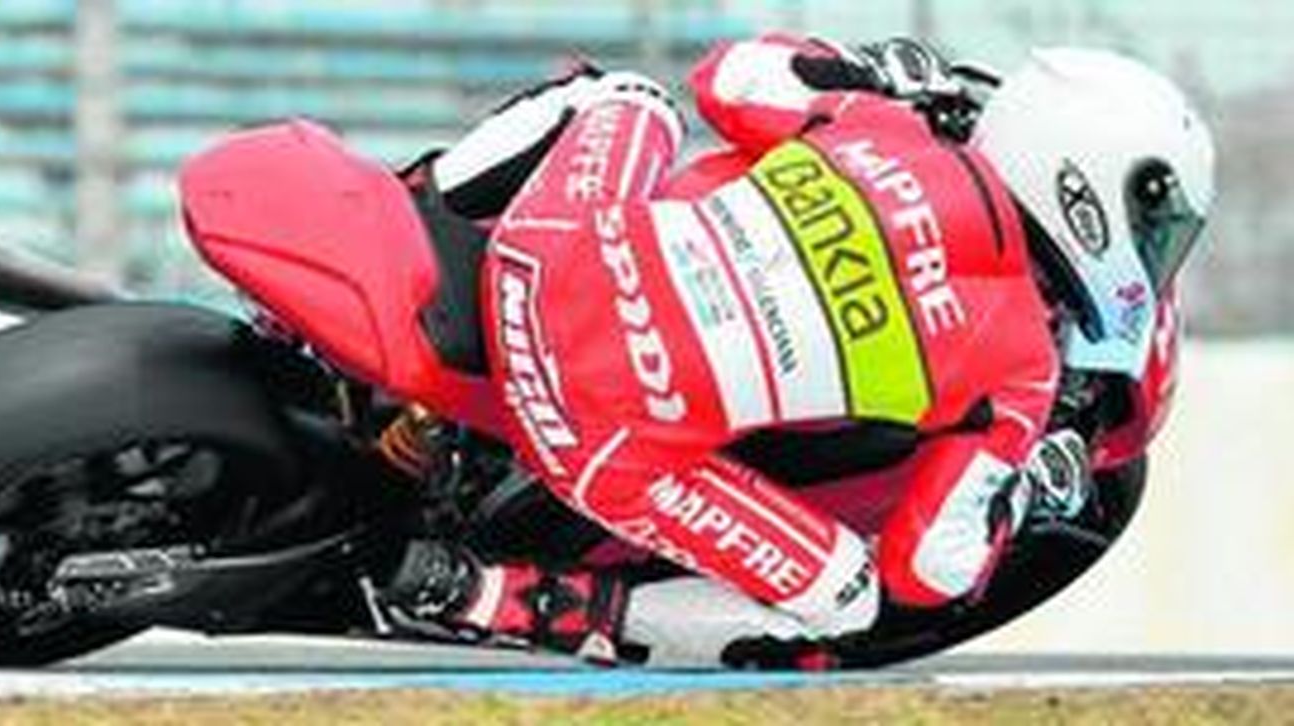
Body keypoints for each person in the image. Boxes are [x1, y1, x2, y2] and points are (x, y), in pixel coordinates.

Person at [379, 32, 1215, 665]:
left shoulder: (883, 126)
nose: (1152, 252)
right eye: (1156, 227)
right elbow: (931, 571)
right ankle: (485, 596)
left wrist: (872, 72)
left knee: (627, 96)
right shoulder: (1024, 371)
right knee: (851, 601)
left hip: (535, 265)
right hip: (600, 440)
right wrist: (1029, 484)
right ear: (1090, 188)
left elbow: (728, 75)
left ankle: (405, 213)